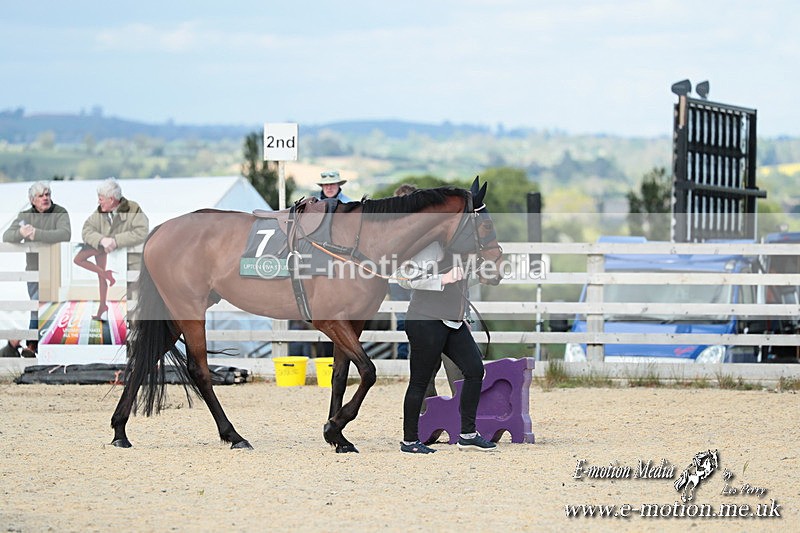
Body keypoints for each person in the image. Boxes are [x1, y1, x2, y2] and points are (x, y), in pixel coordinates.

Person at [397, 241, 497, 454]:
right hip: (425, 320)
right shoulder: (431, 247)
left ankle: (468, 435)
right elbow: (402, 277)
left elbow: (460, 285)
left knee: (475, 370)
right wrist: (442, 279)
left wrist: (462, 315)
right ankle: (409, 441)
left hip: (453, 322)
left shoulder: (463, 251)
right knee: (419, 381)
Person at [2, 181, 71, 349]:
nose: (45, 198)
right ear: (32, 200)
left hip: (56, 269)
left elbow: (65, 234)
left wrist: (36, 234)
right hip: (33, 270)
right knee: (36, 304)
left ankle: (37, 345)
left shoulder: (60, 212)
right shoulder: (25, 215)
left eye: (47, 194)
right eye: (41, 196)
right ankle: (35, 345)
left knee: (46, 305)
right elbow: (7, 236)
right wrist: (21, 233)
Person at [74, 177, 149, 320]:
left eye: (101, 198)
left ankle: (133, 325)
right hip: (103, 250)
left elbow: (142, 231)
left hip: (131, 261)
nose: (98, 201)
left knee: (135, 298)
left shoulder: (133, 208)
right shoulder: (100, 212)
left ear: (112, 199)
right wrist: (102, 240)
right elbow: (86, 230)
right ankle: (103, 305)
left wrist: (115, 241)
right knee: (96, 272)